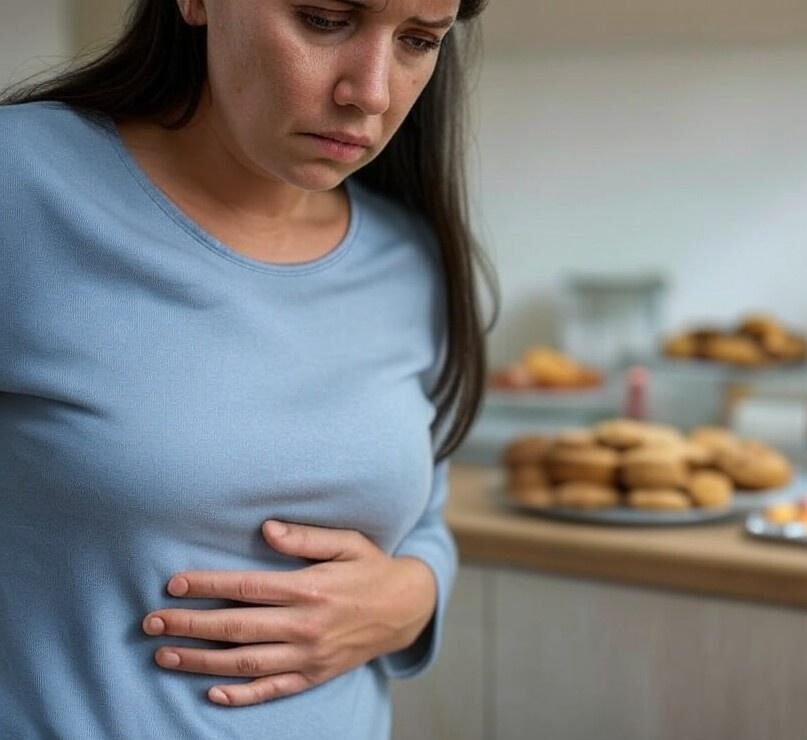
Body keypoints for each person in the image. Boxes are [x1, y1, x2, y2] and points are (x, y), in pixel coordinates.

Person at [0, 0, 494, 736]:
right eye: (326, 19)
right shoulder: (21, 183)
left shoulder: (412, 256)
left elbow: (423, 515)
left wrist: (413, 598)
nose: (373, 91)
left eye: (418, 41)